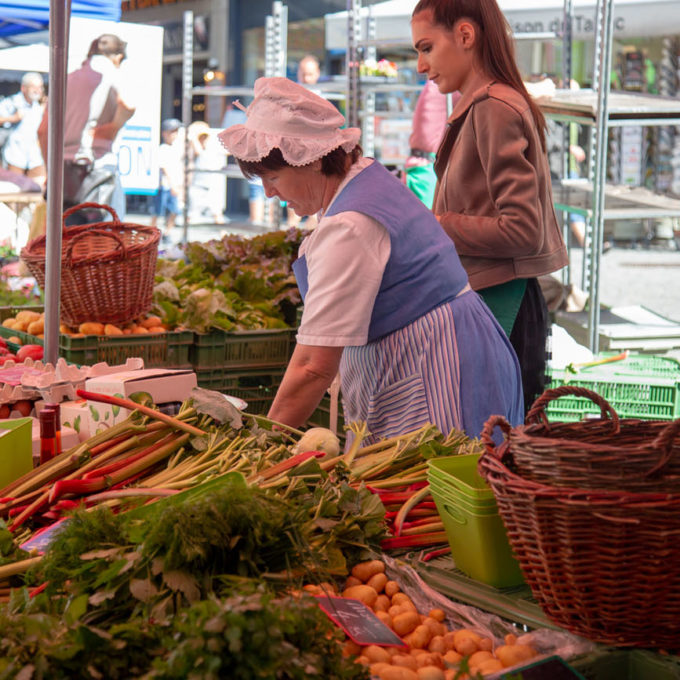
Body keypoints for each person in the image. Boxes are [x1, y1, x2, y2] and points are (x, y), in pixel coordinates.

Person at [218, 77, 523, 446]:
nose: (269, 192)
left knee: (436, 489)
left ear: (312, 161)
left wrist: (257, 447)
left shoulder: (350, 225)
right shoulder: (362, 179)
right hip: (452, 349)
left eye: (274, 176)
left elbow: (313, 366)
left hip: (437, 366)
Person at [411, 0, 569, 412]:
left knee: (495, 453)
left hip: (504, 304)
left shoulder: (494, 108)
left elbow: (521, 229)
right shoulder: (484, 105)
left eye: (426, 48)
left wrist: (437, 224)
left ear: (465, 35)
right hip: (492, 300)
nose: (420, 66)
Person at [38, 33, 135, 222]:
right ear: (118, 57)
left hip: (62, 170)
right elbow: (129, 104)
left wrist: (50, 169)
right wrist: (113, 127)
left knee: (64, 236)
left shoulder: (66, 79)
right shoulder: (110, 72)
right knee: (96, 239)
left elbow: (43, 131)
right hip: (95, 166)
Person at [0, 72, 46, 189]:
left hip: (35, 158)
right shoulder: (12, 102)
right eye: (34, 87)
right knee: (15, 196)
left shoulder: (39, 107)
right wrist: (12, 118)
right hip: (15, 158)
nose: (38, 90)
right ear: (24, 88)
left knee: (39, 193)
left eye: (40, 87)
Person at [150, 118, 184, 237]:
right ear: (164, 133)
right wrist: (173, 184)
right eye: (172, 131)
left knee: (175, 210)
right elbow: (164, 168)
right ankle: (151, 233)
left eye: (176, 131)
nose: (175, 134)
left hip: (175, 185)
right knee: (157, 212)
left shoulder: (177, 148)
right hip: (164, 186)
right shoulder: (162, 148)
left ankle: (167, 233)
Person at [188, 120, 226, 224]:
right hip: (197, 187)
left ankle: (225, 238)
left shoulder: (213, 147)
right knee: (191, 217)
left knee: (217, 215)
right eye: (201, 137)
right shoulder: (192, 149)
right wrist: (193, 137)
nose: (203, 139)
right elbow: (197, 152)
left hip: (212, 187)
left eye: (204, 136)